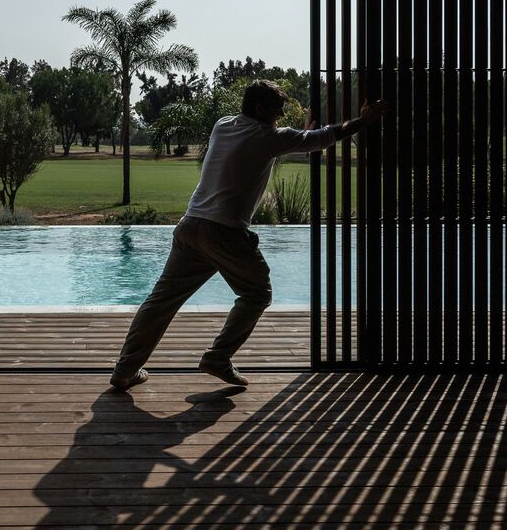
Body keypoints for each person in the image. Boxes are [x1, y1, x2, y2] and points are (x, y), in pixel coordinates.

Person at [109, 79, 389, 390]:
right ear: (258, 109)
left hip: (190, 226)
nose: (280, 116)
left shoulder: (222, 125)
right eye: (276, 110)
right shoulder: (267, 136)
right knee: (257, 294)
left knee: (161, 301)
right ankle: (218, 357)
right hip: (225, 232)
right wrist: (364, 121)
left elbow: (295, 140)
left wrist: (302, 136)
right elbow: (323, 137)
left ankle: (125, 369)